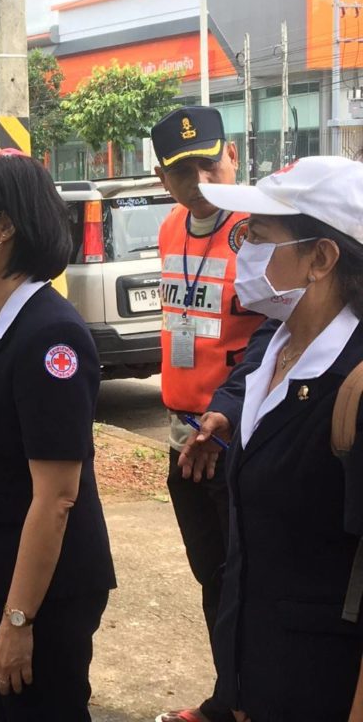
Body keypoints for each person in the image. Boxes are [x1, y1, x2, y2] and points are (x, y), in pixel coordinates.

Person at [188, 156, 363, 719]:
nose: (243, 251)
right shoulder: (276, 348)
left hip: (325, 689)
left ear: (321, 259)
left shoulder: (354, 381)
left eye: (259, 236)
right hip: (261, 679)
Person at [0, 154, 115, 720]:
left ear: (3, 227)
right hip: (5, 572)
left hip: (47, 594)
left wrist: (19, 619)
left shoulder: (50, 335)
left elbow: (56, 496)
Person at [150, 106, 264, 722]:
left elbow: (278, 337)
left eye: (208, 163)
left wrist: (230, 413)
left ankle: (247, 701)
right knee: (212, 575)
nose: (199, 180)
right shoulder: (171, 227)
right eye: (181, 171)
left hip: (235, 433)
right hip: (181, 433)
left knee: (246, 579)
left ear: (233, 156)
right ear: (162, 179)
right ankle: (229, 696)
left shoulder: (260, 230)